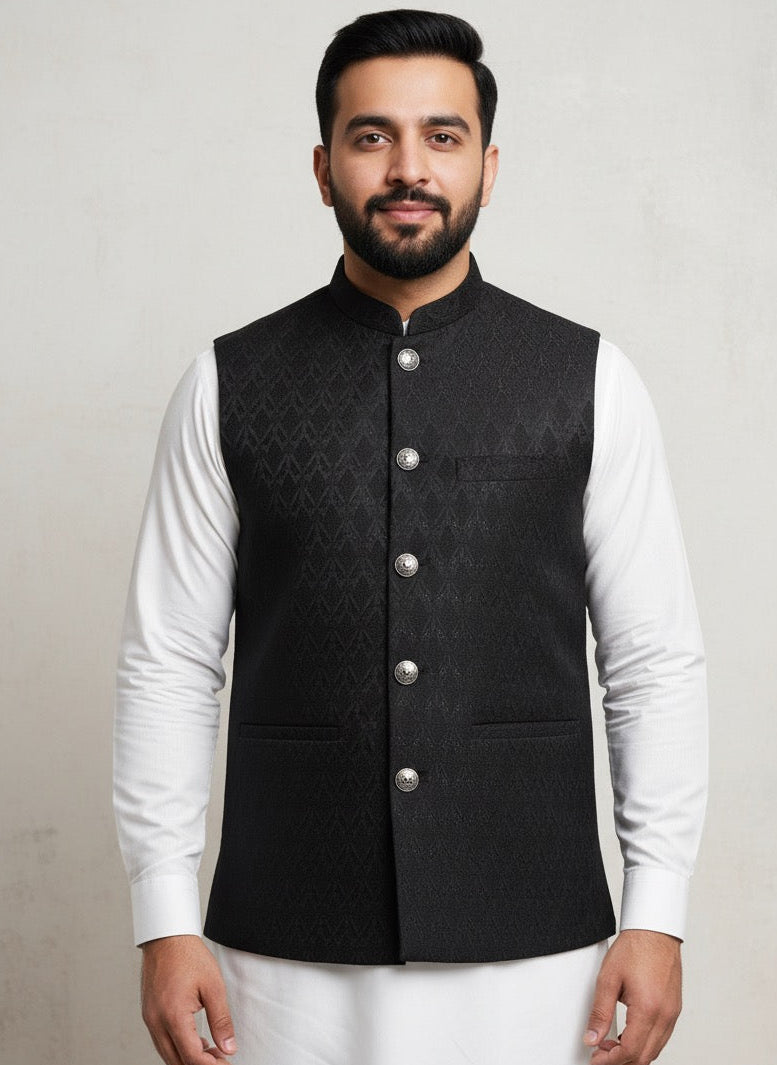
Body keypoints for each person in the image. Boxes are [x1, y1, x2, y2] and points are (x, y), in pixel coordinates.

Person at [113, 9, 708, 1065]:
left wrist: (656, 913)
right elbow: (168, 663)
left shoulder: (591, 380)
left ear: (488, 165)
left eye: (441, 136)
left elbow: (652, 662)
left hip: (539, 951)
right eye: (371, 135)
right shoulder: (226, 383)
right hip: (282, 956)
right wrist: (163, 918)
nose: (408, 168)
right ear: (323, 167)